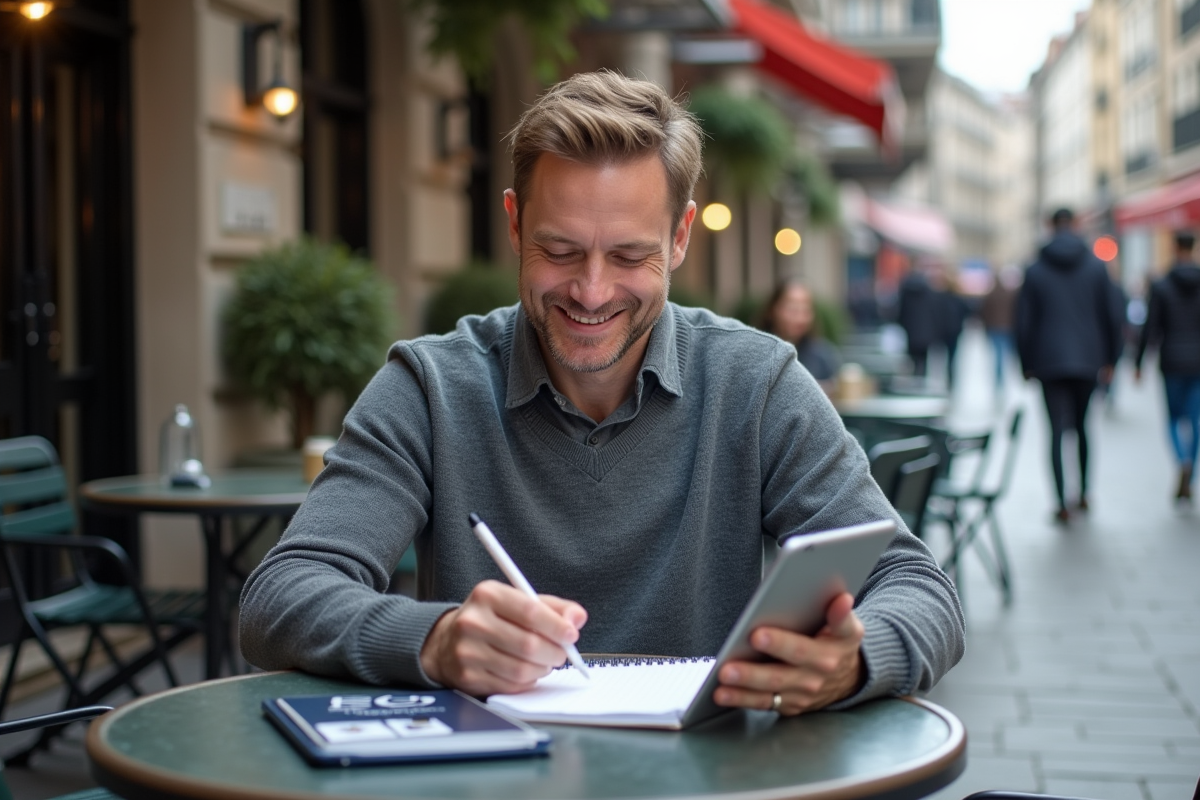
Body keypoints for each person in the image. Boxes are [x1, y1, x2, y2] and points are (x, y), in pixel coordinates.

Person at [239, 71, 963, 716]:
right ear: (515, 223)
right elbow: (281, 594)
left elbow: (919, 587)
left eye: (628, 255)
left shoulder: (757, 383)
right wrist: (433, 640)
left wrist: (853, 662)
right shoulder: (431, 387)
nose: (591, 291)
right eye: (559, 251)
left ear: (680, 237)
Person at [1015, 208, 1123, 524]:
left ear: (1050, 225)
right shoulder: (1096, 267)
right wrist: (1111, 359)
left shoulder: (1035, 269)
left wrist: (1026, 363)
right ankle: (1085, 493)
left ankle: (1061, 501)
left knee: (1056, 432)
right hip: (1089, 359)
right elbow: (1112, 316)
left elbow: (1023, 322)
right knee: (1084, 427)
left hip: (1048, 361)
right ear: (1075, 225)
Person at [1134, 231, 1200, 502]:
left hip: (1171, 360)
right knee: (1195, 419)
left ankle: (1182, 460)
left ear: (1174, 248)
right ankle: (1190, 470)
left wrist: (1138, 362)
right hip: (1197, 362)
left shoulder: (1161, 285)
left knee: (1173, 418)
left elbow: (1150, 327)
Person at [760, 280, 841, 393]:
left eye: (805, 310)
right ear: (773, 309)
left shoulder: (824, 357)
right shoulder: (758, 353)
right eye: (793, 309)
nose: (800, 317)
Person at [979, 264, 1021, 395]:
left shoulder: (991, 294)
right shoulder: (1012, 294)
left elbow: (984, 313)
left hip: (995, 329)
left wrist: (986, 328)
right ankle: (1005, 382)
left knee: (998, 356)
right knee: (1007, 356)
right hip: (1008, 329)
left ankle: (999, 383)